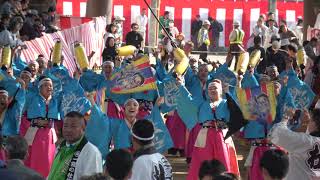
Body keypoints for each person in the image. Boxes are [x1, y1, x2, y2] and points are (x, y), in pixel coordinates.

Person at [48, 111, 103, 180]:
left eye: (73, 126)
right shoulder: (61, 147)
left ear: (83, 129)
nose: (68, 130)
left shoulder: (91, 152)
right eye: (65, 126)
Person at [269, 108, 320, 180]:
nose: (309, 122)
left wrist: (286, 117)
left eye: (311, 120)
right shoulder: (309, 141)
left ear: (316, 124)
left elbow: (278, 133)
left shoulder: (307, 141)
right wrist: (305, 123)